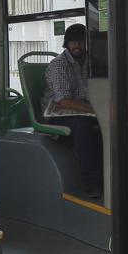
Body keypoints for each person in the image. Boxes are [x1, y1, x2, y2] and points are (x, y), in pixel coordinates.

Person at [43, 23, 103, 197]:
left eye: (81, 42)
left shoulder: (89, 62)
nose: (77, 46)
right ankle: (89, 182)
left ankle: (105, 177)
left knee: (105, 126)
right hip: (57, 113)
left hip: (82, 109)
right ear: (66, 43)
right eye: (73, 42)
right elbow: (63, 101)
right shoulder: (59, 65)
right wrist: (93, 110)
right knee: (82, 126)